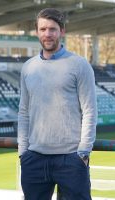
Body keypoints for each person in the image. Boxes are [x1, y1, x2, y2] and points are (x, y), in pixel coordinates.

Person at [18, 8, 97, 200]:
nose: (47, 34)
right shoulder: (28, 67)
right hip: (34, 159)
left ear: (62, 31)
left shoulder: (79, 65)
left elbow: (90, 110)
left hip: (71, 159)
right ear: (37, 32)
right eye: (43, 29)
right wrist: (23, 152)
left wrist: (83, 152)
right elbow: (24, 111)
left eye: (52, 29)